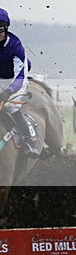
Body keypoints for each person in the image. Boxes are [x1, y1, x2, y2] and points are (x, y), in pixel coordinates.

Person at [0, 8, 38, 157]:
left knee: (9, 106)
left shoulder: (15, 46)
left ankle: (30, 140)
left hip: (16, 80)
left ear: (6, 29)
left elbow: (20, 77)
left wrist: (8, 91)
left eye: (0, 30)